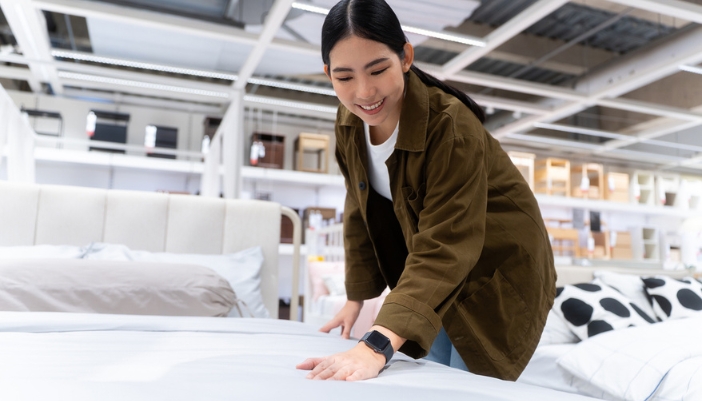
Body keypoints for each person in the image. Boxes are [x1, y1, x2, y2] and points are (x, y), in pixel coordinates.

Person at [296, 0, 556, 382]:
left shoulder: (451, 127)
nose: (364, 92)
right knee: (424, 375)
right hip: (440, 267)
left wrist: (375, 346)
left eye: (378, 69)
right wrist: (356, 298)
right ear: (328, 74)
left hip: (496, 268)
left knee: (462, 379)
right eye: (344, 77)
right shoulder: (349, 122)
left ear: (405, 57)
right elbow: (360, 205)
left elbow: (446, 243)